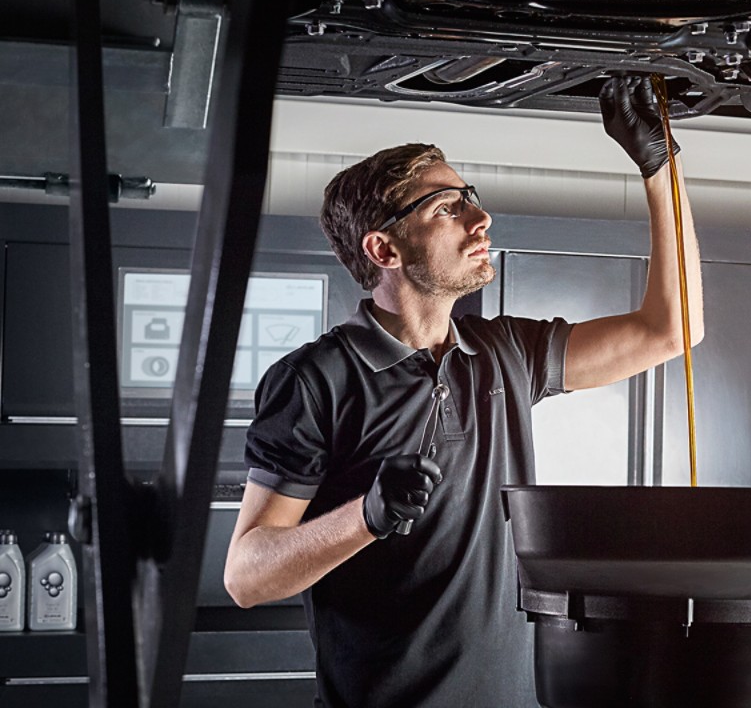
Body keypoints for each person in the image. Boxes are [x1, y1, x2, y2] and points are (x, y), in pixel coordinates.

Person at [222, 75, 703, 707]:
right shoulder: (315, 381)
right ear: (384, 247)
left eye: (469, 198)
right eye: (446, 208)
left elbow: (672, 329)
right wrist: (367, 516)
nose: (481, 218)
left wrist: (660, 165)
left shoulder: (505, 352)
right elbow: (247, 576)